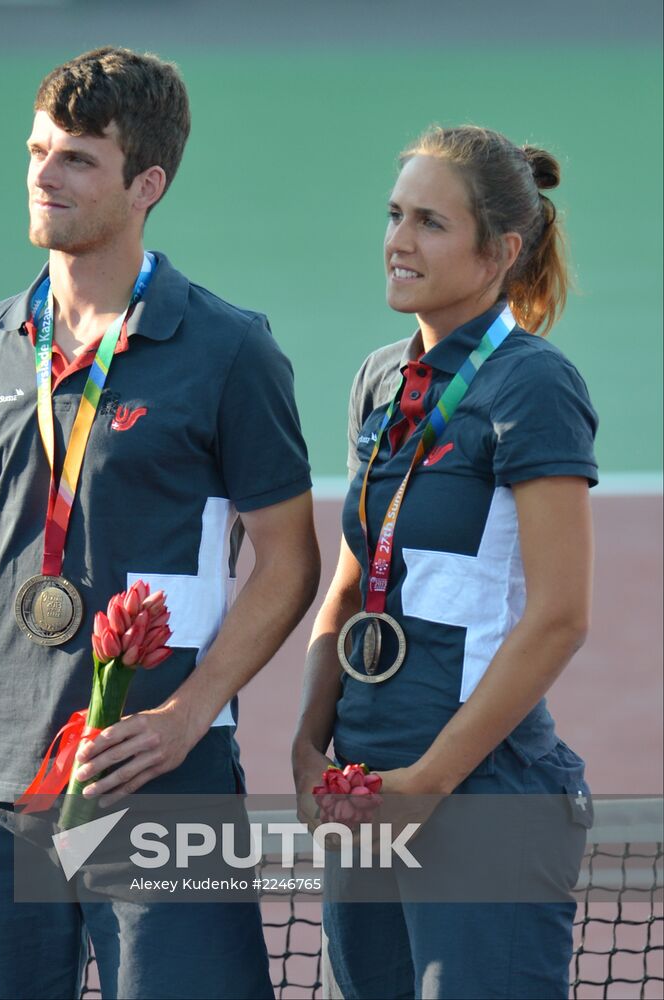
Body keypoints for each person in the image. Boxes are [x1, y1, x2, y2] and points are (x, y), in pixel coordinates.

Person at [0, 46, 320, 1000]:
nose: (45, 175)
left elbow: (291, 563)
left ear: (147, 185)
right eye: (39, 150)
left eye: (79, 158)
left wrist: (186, 714)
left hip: (159, 785)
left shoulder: (228, 350)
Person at [292, 125, 598, 999]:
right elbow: (351, 583)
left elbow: (560, 617)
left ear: (501, 251)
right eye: (395, 215)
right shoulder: (380, 379)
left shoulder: (533, 385)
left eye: (430, 222)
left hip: (483, 797)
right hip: (368, 790)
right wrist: (310, 743)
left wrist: (427, 781)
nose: (398, 241)